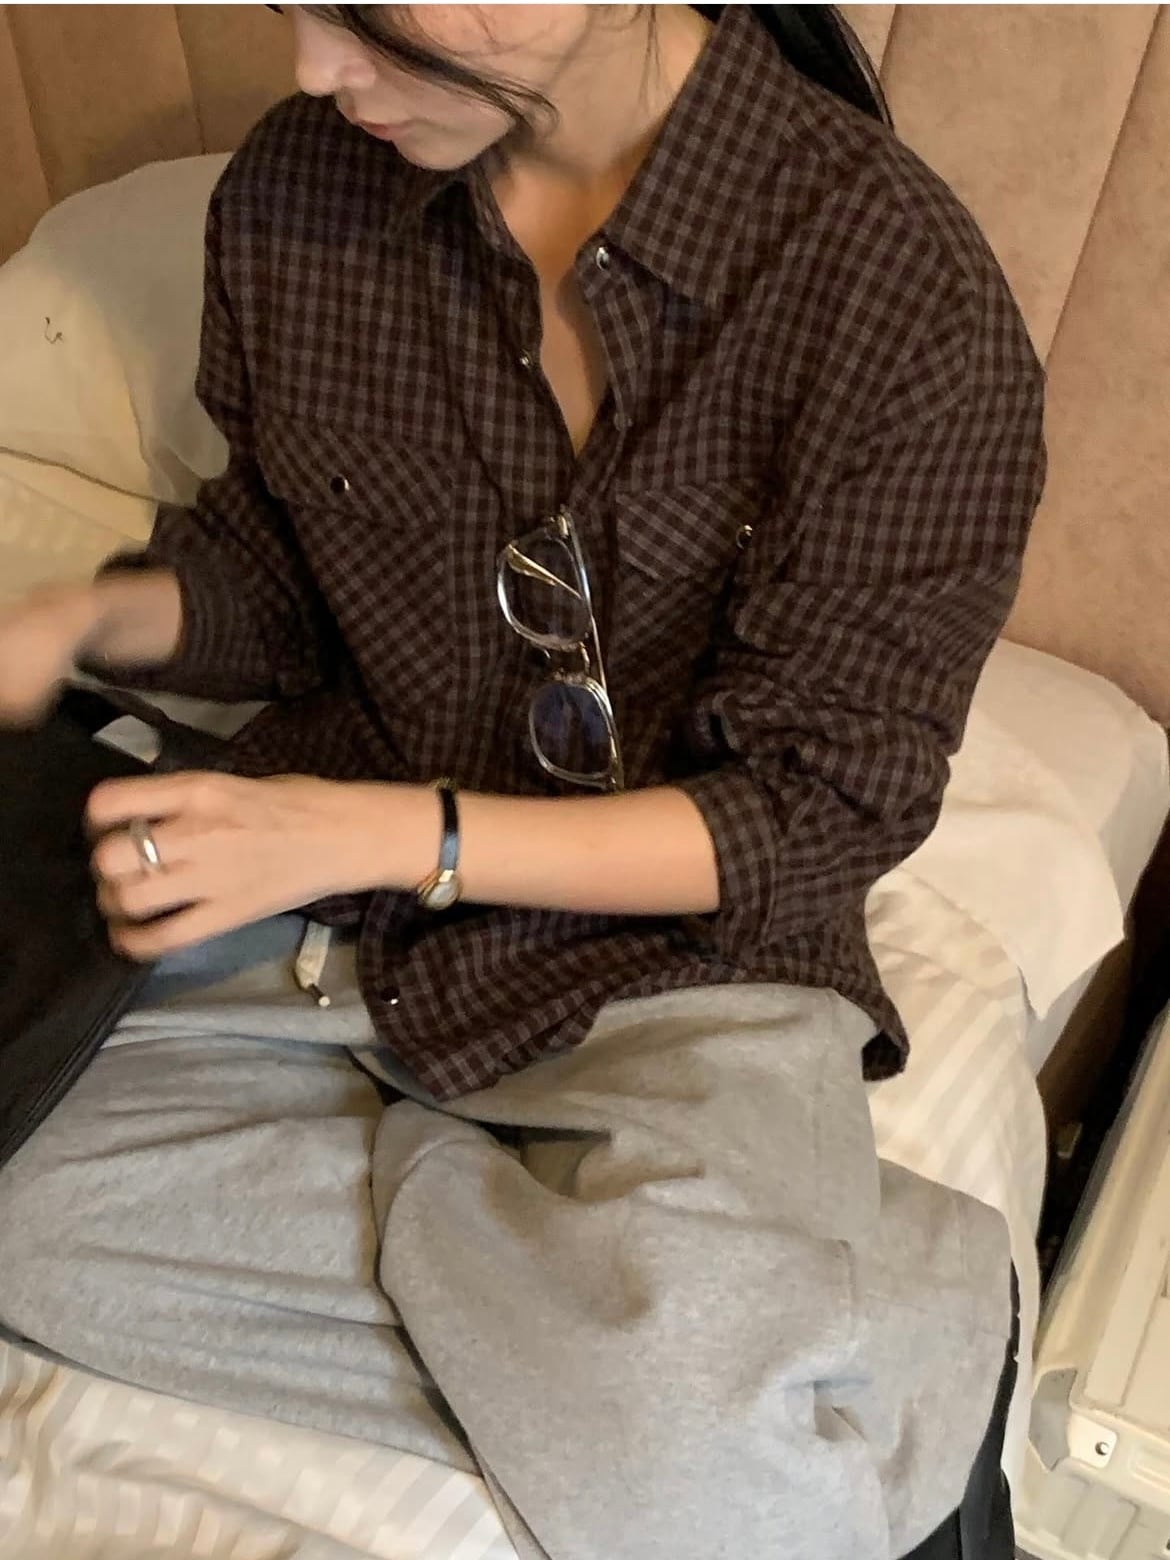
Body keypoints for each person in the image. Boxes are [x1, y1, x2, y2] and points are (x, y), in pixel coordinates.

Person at [0, 7, 1045, 1558]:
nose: (314, 67)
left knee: (701, 1497)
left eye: (368, 15)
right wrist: (79, 623)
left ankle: (710, 1304)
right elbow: (276, 577)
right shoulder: (297, 192)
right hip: (331, 931)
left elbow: (813, 812)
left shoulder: (893, 292)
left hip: (677, 964)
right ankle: (638, 1283)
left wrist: (375, 833)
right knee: (19, 1215)